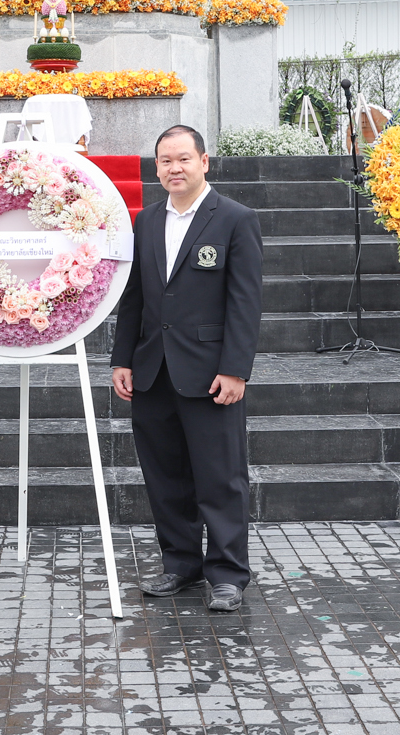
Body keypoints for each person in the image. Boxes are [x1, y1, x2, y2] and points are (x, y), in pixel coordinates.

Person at [110, 125, 264, 613]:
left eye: (183, 159)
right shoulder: (147, 221)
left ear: (204, 162)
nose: (174, 168)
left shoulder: (235, 219)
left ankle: (228, 574)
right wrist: (122, 358)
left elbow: (245, 302)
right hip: (153, 370)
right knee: (165, 476)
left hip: (210, 373)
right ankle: (181, 564)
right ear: (156, 167)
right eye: (165, 161)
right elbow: (134, 296)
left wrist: (235, 369)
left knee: (221, 478)